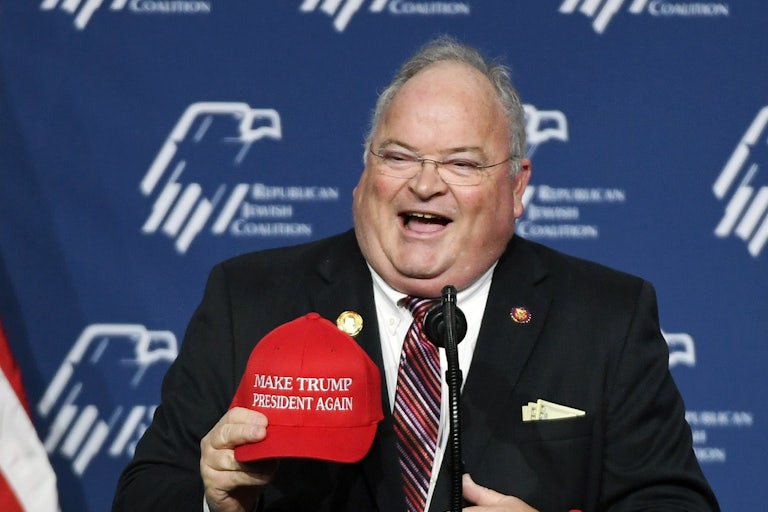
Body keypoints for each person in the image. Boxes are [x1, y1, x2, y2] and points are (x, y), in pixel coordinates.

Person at [112, 36, 719, 512]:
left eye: (462, 164)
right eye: (399, 156)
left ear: (517, 187)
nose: (425, 184)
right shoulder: (250, 299)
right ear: (365, 170)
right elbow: (146, 493)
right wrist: (211, 501)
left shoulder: (605, 318)